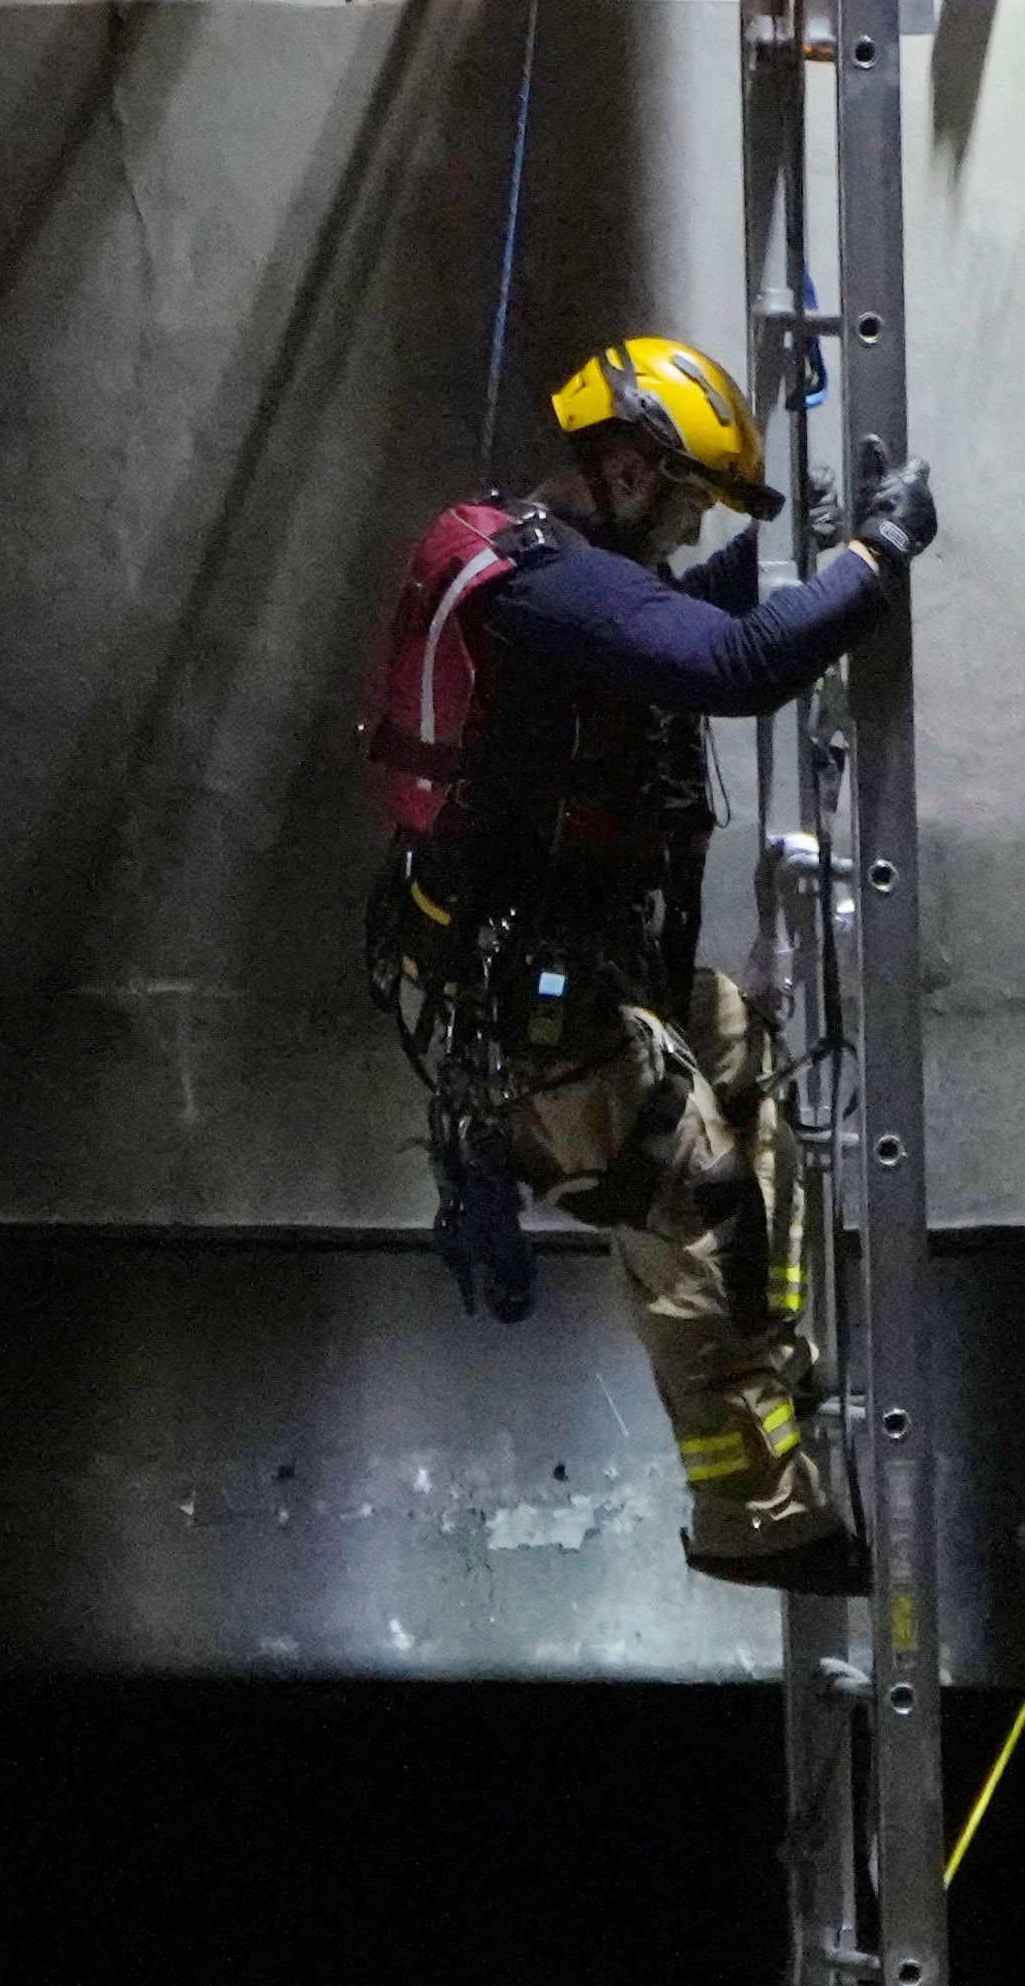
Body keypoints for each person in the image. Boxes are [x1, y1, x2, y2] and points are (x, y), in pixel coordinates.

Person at [377, 333, 939, 1593]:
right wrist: (878, 558)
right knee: (694, 1206)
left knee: (744, 1068)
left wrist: (810, 553)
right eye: (684, 503)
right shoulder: (542, 584)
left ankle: (779, 1372)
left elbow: (679, 620)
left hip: (591, 971)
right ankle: (759, 1520)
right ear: (628, 471)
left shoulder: (552, 572)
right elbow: (727, 663)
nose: (685, 534)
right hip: (543, 1010)